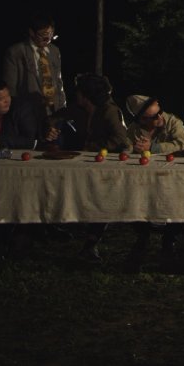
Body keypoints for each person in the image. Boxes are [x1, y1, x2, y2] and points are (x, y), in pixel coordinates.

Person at [46, 73, 129, 261]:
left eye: (79, 92)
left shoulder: (109, 111)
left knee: (102, 197)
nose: (76, 94)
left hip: (106, 163)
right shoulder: (79, 109)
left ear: (86, 94)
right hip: (82, 162)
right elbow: (55, 118)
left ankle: (92, 241)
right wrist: (51, 128)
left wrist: (90, 147)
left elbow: (120, 139)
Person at [124, 94, 184, 265]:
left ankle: (170, 240)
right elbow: (126, 147)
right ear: (142, 119)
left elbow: (182, 144)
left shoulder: (172, 122)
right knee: (135, 198)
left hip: (172, 178)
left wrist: (154, 147)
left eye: (160, 112)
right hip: (145, 180)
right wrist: (133, 149)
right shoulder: (134, 129)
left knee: (177, 201)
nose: (160, 117)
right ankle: (142, 236)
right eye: (154, 117)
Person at [2, 14, 66, 123]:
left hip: (53, 111)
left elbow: (58, 81)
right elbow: (10, 88)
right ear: (31, 32)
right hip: (28, 113)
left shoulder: (54, 50)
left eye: (51, 34)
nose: (47, 39)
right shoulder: (16, 52)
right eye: (43, 35)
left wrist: (62, 106)